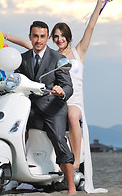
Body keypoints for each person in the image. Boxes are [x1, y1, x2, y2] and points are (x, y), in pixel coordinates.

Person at [0, 0, 108, 194]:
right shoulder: (35, 54)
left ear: (67, 37)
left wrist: (100, 3)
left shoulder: (70, 55)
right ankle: (18, 166)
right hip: (37, 101)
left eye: (61, 36)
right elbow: (23, 56)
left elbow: (90, 29)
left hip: (63, 100)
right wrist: (2, 35)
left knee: (69, 119)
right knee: (17, 124)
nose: (58, 40)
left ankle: (73, 169)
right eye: (56, 36)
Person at [15, 20, 76, 195]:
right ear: (30, 37)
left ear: (47, 38)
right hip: (29, 106)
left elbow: (68, 87)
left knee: (57, 137)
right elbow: (16, 79)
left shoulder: (58, 59)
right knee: (14, 129)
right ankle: (18, 171)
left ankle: (71, 186)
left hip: (53, 106)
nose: (38, 40)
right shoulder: (23, 58)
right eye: (35, 36)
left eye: (42, 36)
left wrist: (60, 90)